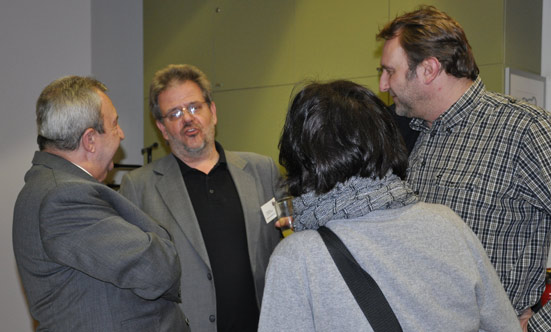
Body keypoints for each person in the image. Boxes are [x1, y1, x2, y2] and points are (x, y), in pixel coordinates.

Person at [257, 80, 520, 331]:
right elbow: (504, 326)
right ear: (386, 139)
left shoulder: (298, 257)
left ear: (301, 157)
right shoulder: (447, 223)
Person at [377, 6, 551, 331]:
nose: (384, 85)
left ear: (428, 69)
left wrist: (540, 327)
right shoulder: (412, 131)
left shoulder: (524, 129)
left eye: (390, 71)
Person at [12, 76, 189, 331]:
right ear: (90, 140)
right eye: (115, 124)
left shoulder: (50, 186)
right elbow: (159, 269)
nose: (122, 134)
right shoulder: (65, 197)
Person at [119, 64, 283, 332]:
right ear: (162, 127)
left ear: (213, 112)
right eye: (175, 113)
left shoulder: (262, 171)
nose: (188, 119)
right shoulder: (139, 188)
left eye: (195, 107)